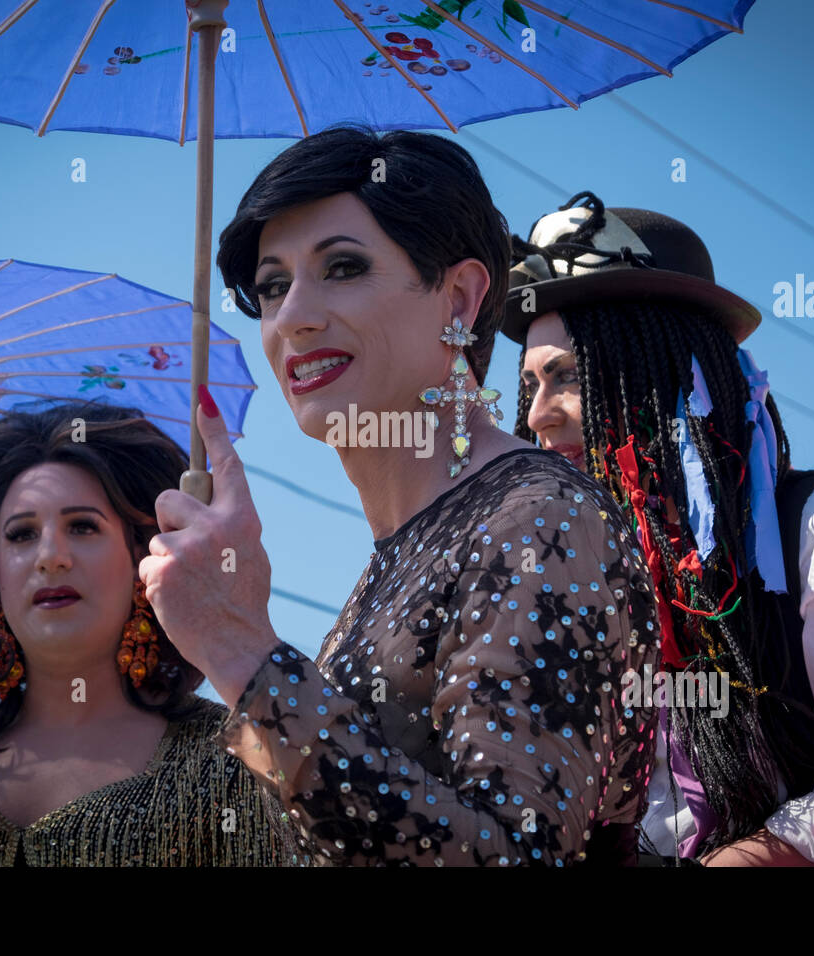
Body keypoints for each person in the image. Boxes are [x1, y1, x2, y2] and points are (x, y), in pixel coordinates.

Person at [131, 125, 661, 868]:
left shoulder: (540, 518)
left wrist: (238, 644)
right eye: (272, 286)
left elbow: (517, 857)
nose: (292, 317)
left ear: (460, 296)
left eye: (342, 267)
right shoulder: (398, 559)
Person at [504, 192, 814, 866]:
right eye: (529, 386)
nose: (539, 416)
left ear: (659, 374)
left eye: (566, 376)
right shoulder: (570, 589)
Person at [0, 401, 300, 866]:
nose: (51, 556)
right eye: (22, 535)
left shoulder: (232, 757)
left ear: (142, 557)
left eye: (82, 527)